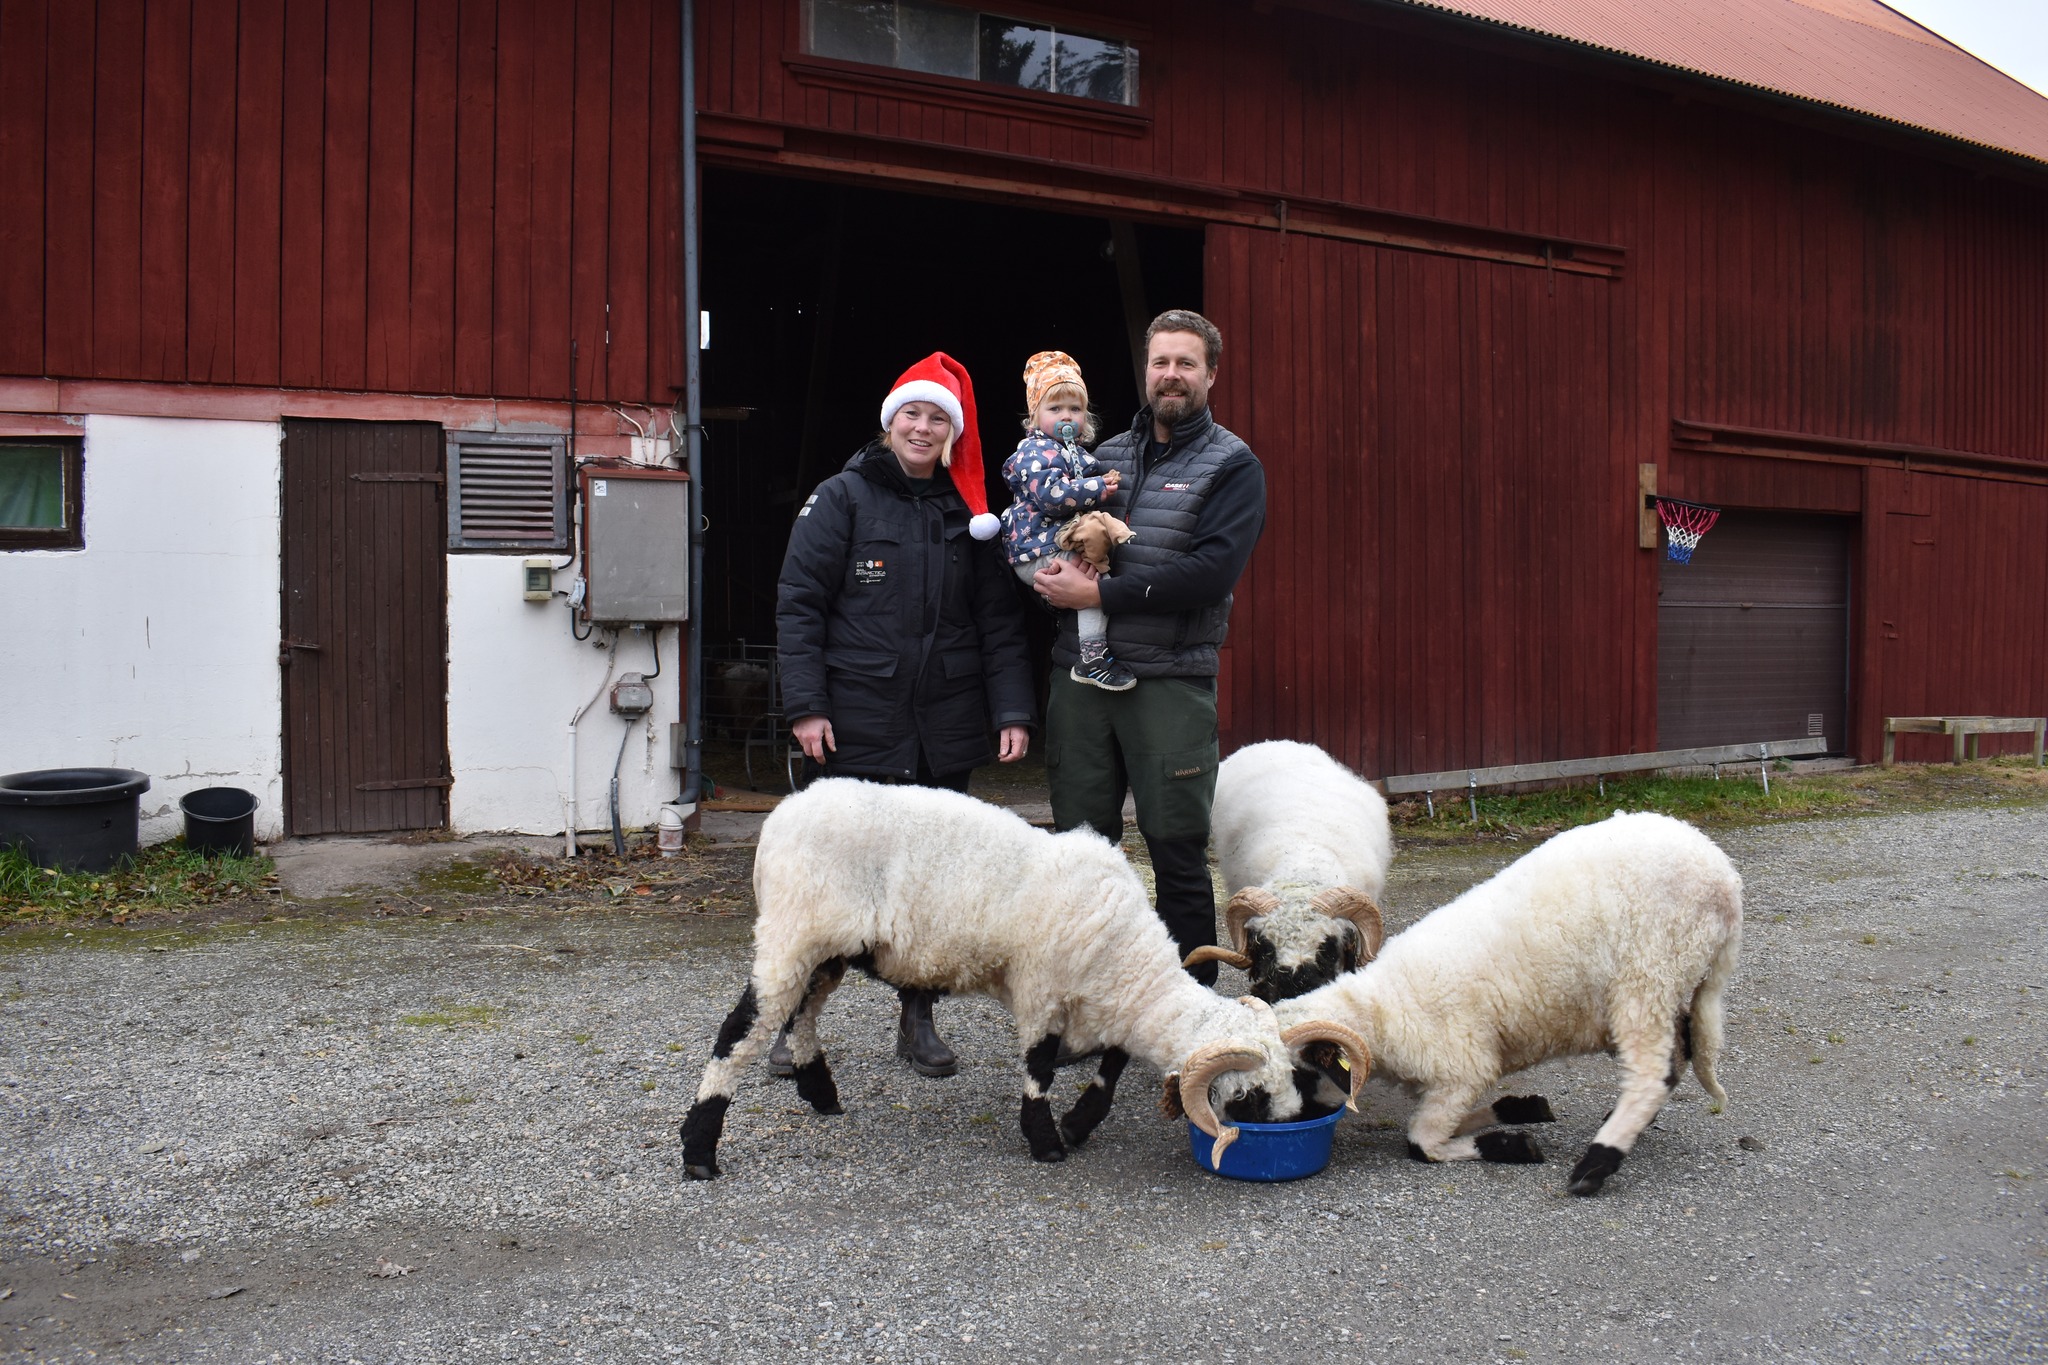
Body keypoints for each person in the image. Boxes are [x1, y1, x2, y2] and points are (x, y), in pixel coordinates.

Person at [774, 351, 1035, 1078]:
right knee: (833, 886)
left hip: (944, 727)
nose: (923, 427)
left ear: (954, 433)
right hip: (856, 720)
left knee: (932, 888)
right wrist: (806, 706)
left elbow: (999, 621)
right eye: (913, 414)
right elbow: (800, 605)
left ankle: (916, 1019)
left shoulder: (969, 515)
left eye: (938, 418)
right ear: (891, 422)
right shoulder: (843, 498)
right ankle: (793, 1021)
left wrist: (1011, 709)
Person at [1033, 310, 1265, 989]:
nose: (1170, 375)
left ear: (1210, 374)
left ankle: (1187, 1008)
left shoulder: (1233, 465)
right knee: (1082, 852)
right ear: (1146, 369)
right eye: (1160, 361)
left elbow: (1210, 573)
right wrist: (1045, 575)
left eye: (1185, 363)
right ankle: (1093, 1000)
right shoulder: (1100, 458)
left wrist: (1099, 597)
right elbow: (1055, 534)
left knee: (1177, 852)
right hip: (1080, 681)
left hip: (1169, 682)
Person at [999, 350, 1137, 692]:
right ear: (1034, 416)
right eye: (1055, 408)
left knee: (1095, 576)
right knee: (1096, 586)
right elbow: (1052, 497)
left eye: (1075, 409)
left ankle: (1091, 653)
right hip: (1037, 549)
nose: (1067, 416)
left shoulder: (1071, 452)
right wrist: (1096, 488)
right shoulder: (1034, 453)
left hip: (1050, 544)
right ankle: (1092, 656)